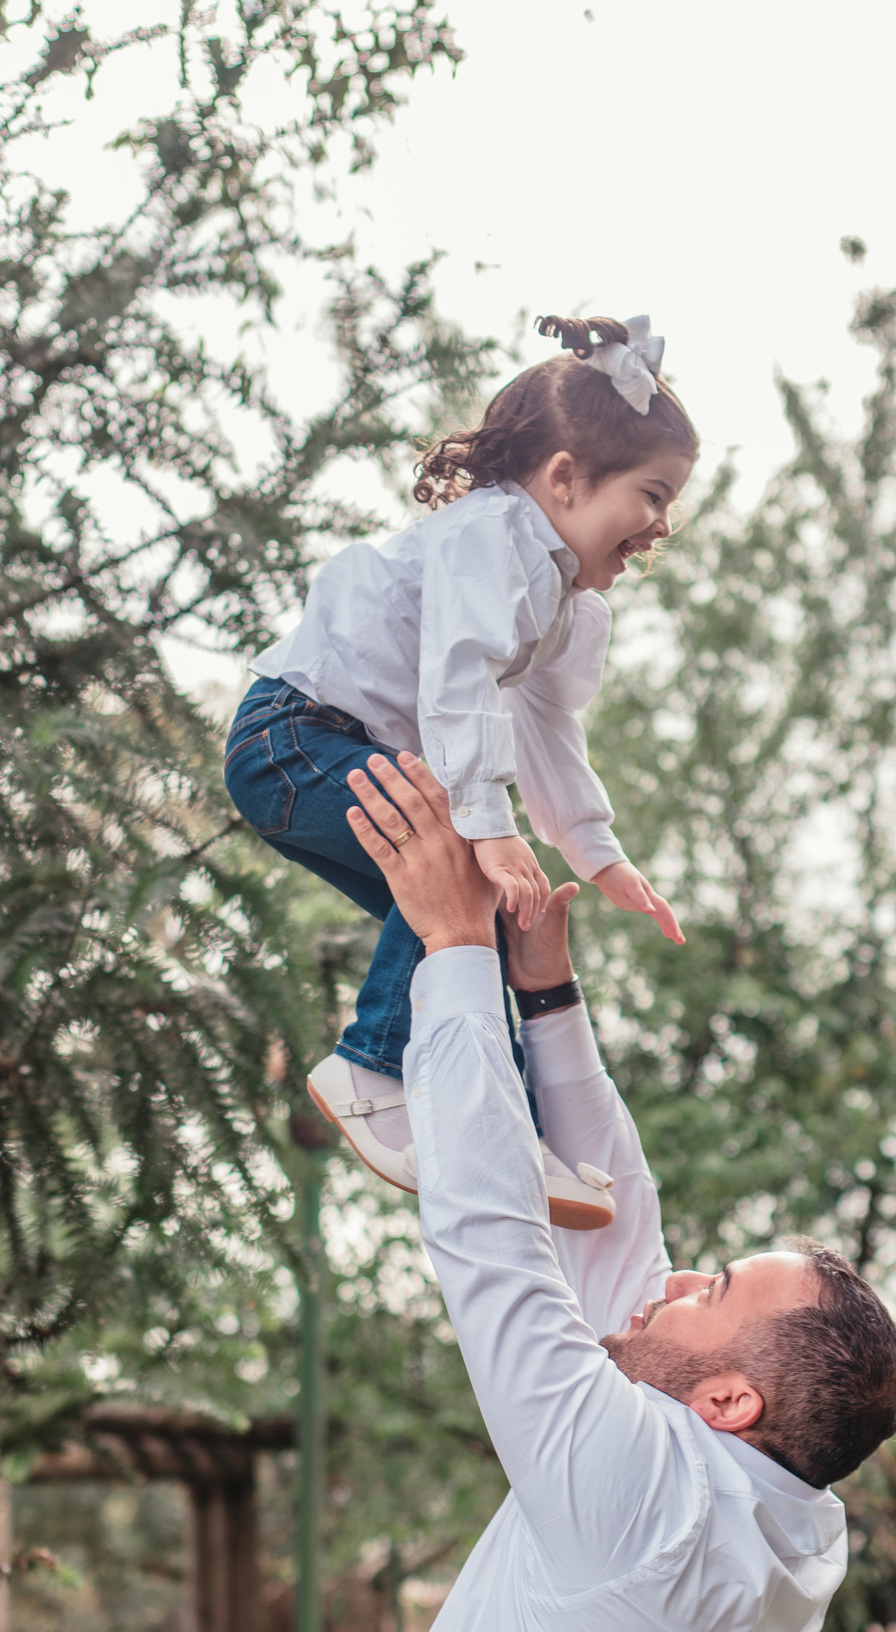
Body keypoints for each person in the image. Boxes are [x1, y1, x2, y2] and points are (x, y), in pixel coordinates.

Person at [335, 749, 896, 1632]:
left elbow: (494, 1246)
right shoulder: (782, 1516)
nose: (681, 1277)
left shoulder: (647, 1506)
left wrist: (456, 949)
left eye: (717, 1290)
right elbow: (615, 1228)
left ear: (731, 1400)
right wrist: (546, 998)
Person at [223, 314, 697, 1227]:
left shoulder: (565, 601)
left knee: (479, 927)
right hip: (294, 738)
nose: (662, 523)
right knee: (458, 868)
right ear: (564, 478)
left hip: (341, 751)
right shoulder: (492, 538)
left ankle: (506, 1126)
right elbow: (460, 676)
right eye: (651, 492)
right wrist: (488, 822)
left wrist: (598, 853)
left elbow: (545, 722)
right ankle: (371, 1067)